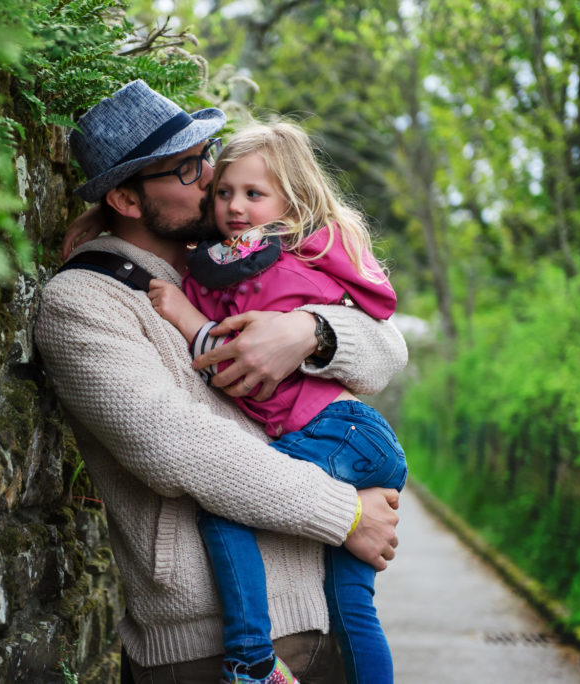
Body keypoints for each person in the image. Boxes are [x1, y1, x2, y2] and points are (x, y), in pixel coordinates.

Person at [34, 80, 407, 683]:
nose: (211, 179)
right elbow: (180, 449)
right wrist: (348, 516)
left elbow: (389, 344)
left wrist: (310, 332)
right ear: (127, 202)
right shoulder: (82, 302)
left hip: (321, 615)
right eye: (186, 169)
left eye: (206, 155)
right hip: (206, 648)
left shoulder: (231, 259)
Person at [147, 121, 407, 684]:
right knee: (353, 611)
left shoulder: (277, 271)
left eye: (253, 195)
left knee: (228, 503)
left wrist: (180, 311)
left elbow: (233, 354)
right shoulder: (256, 259)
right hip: (351, 439)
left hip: (336, 433)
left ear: (291, 201)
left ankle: (248, 659)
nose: (234, 207)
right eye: (223, 193)